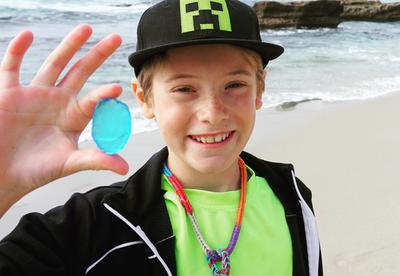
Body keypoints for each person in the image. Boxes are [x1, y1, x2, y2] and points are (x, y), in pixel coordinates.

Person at [0, 0, 322, 275]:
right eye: (184, 89)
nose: (212, 112)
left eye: (234, 85)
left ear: (259, 89)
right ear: (145, 99)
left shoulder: (291, 196)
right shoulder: (97, 225)